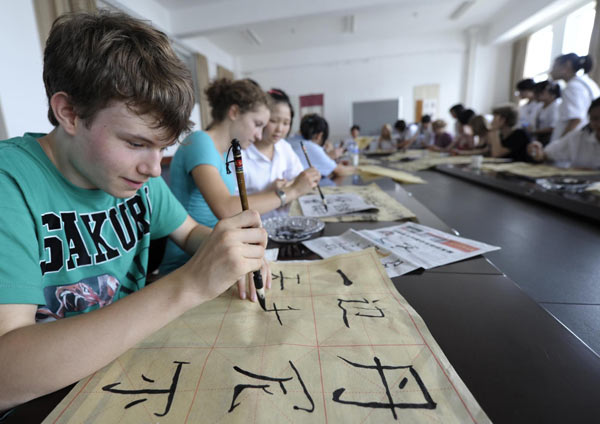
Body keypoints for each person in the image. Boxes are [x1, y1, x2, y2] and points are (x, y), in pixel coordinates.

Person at [0, 11, 270, 412]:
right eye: (135, 143)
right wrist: (190, 284)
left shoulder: (136, 181)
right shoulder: (12, 183)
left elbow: (191, 232)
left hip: (129, 376)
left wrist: (228, 248)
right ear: (69, 113)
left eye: (162, 147)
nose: (153, 166)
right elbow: (8, 375)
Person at [160, 79, 320, 274]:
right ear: (234, 112)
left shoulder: (226, 152)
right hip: (188, 262)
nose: (260, 135)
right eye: (258, 124)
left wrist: (269, 193)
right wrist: (291, 191)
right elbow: (226, 208)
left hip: (215, 252)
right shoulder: (199, 142)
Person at [242, 88, 321, 218]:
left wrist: (292, 185)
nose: (280, 129)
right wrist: (270, 192)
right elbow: (232, 206)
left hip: (283, 223)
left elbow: (299, 179)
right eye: (273, 121)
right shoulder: (241, 152)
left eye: (286, 123)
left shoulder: (283, 147)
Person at [527, 97, 600, 169]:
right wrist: (536, 151)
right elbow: (546, 154)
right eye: (595, 119)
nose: (599, 124)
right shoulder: (577, 139)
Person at [549, 53, 600, 143]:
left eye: (554, 66)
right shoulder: (587, 83)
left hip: (573, 143)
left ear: (567, 65)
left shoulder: (573, 87)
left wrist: (558, 144)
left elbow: (576, 119)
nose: (551, 71)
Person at [288, 114, 355, 178]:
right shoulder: (311, 147)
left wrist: (328, 157)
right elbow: (340, 171)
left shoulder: (290, 140)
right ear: (319, 135)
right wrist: (358, 168)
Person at [531, 80, 561, 145]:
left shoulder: (555, 107)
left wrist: (534, 131)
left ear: (552, 93)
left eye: (541, 92)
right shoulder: (540, 105)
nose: (538, 95)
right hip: (539, 139)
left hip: (549, 140)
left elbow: (553, 127)